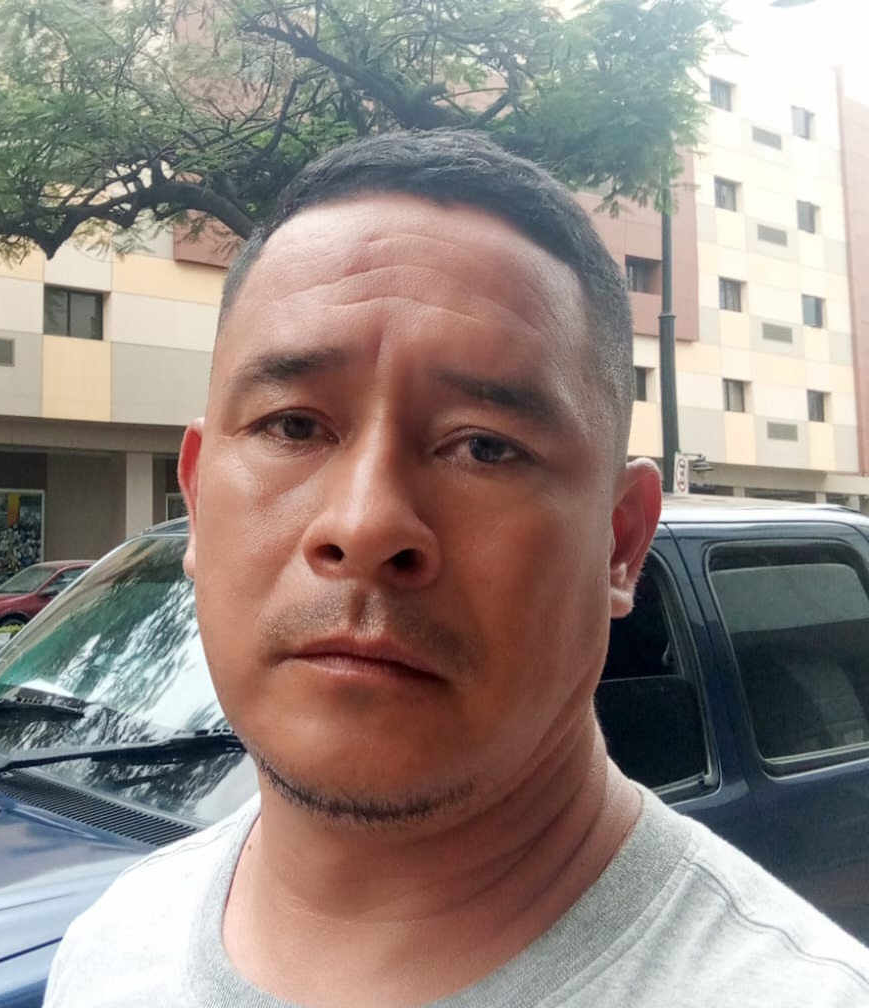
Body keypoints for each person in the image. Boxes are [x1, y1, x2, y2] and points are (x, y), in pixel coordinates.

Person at [42, 129, 869, 1007]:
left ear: (619, 543)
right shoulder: (113, 947)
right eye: (294, 426)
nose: (365, 524)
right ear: (199, 495)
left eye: (484, 447)